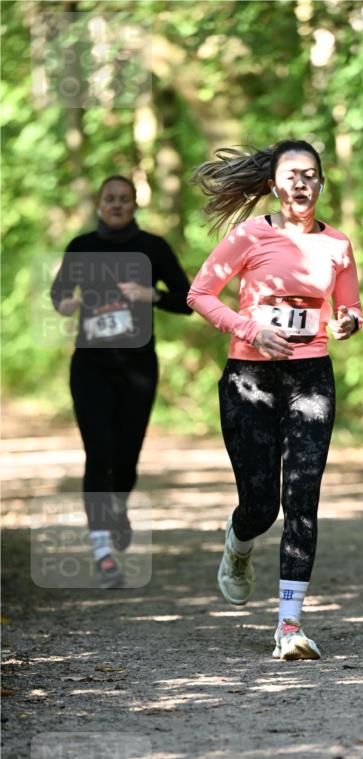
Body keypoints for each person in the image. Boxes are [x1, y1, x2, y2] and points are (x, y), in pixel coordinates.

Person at [187, 139, 363, 660]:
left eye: (310, 174)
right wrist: (249, 329)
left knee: (302, 500)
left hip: (312, 376)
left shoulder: (339, 245)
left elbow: (349, 306)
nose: (300, 183)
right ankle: (239, 544)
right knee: (262, 506)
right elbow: (199, 294)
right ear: (274, 184)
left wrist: (350, 320)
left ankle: (290, 625)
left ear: (322, 183)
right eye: (291, 175)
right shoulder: (250, 235)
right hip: (249, 378)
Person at [51, 175, 192, 587]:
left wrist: (150, 295)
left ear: (134, 205)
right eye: (109, 199)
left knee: (126, 457)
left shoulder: (152, 248)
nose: (116, 205)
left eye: (124, 199)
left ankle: (118, 507)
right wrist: (67, 304)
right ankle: (102, 551)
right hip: (90, 367)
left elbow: (186, 299)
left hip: (138, 369)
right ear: (98, 204)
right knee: (99, 452)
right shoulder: (80, 247)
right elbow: (58, 295)